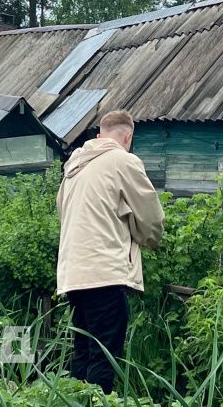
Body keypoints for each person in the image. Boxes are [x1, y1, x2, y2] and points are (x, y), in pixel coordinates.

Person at [56, 110, 165, 394]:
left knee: (83, 350)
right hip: (104, 272)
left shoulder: (74, 168)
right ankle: (98, 400)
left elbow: (63, 213)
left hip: (72, 273)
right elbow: (150, 214)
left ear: (99, 136)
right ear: (127, 137)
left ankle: (74, 399)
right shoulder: (123, 161)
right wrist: (149, 240)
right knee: (105, 354)